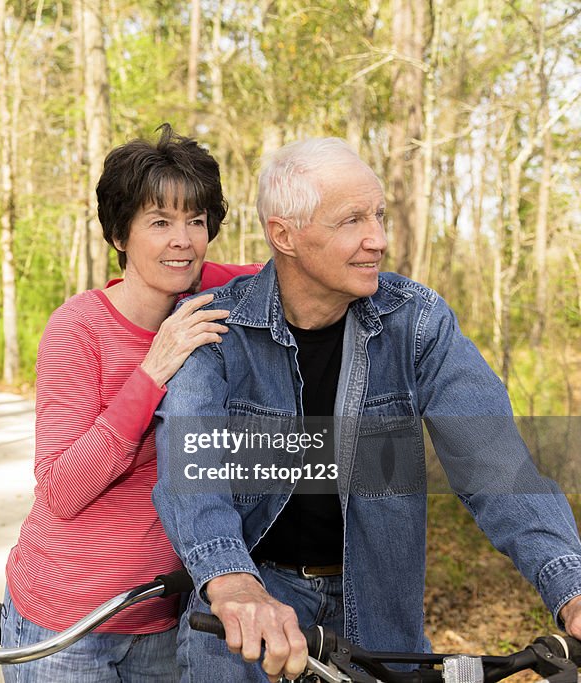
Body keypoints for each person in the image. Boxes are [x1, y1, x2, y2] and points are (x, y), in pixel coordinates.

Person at [152, 137, 581, 682]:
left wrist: (570, 585)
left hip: (380, 610)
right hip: (249, 612)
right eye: (351, 220)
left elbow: (494, 464)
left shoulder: (417, 322)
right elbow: (193, 470)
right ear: (284, 234)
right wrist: (232, 582)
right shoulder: (212, 328)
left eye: (377, 215)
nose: (376, 239)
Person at [0, 124, 260, 682]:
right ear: (121, 234)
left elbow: (291, 276)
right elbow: (62, 490)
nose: (183, 241)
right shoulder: (78, 328)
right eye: (160, 223)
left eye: (196, 222)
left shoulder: (206, 301)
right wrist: (153, 369)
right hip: (66, 626)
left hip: (161, 620)